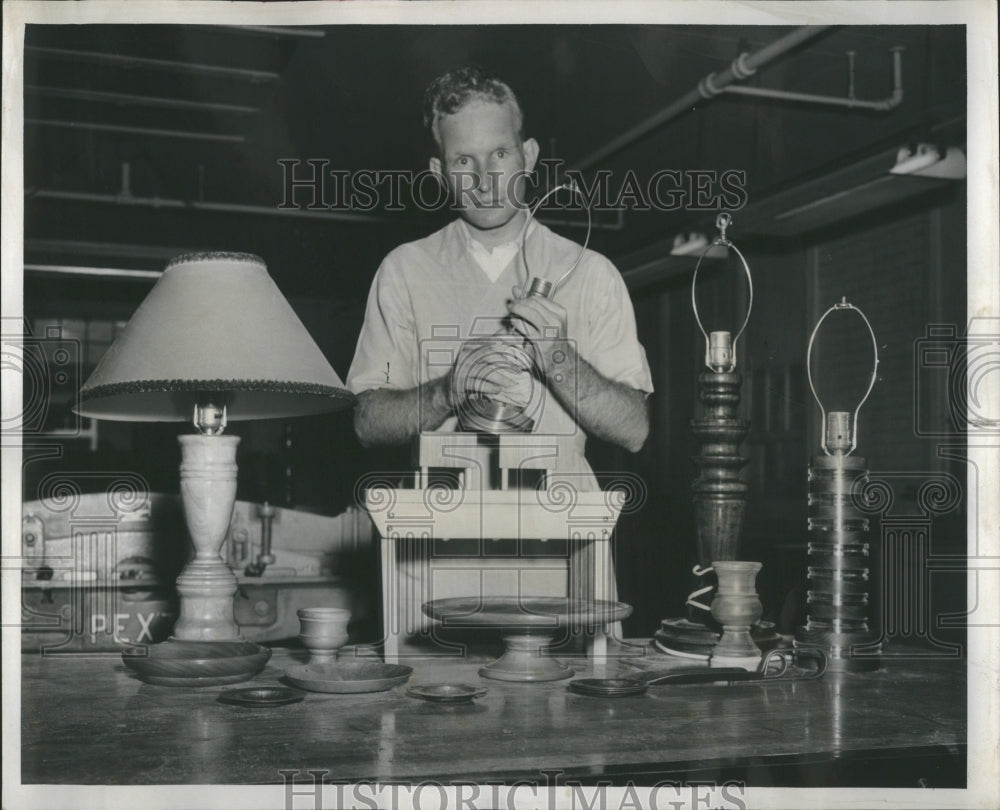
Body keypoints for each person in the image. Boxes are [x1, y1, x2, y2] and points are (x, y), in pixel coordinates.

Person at [346, 65, 653, 648]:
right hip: (438, 562)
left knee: (576, 728)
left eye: (500, 154)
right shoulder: (404, 272)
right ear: (439, 172)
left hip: (567, 556)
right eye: (464, 161)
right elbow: (367, 422)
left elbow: (634, 429)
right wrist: (445, 391)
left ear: (529, 155)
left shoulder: (590, 275)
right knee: (440, 723)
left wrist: (557, 356)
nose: (486, 179)